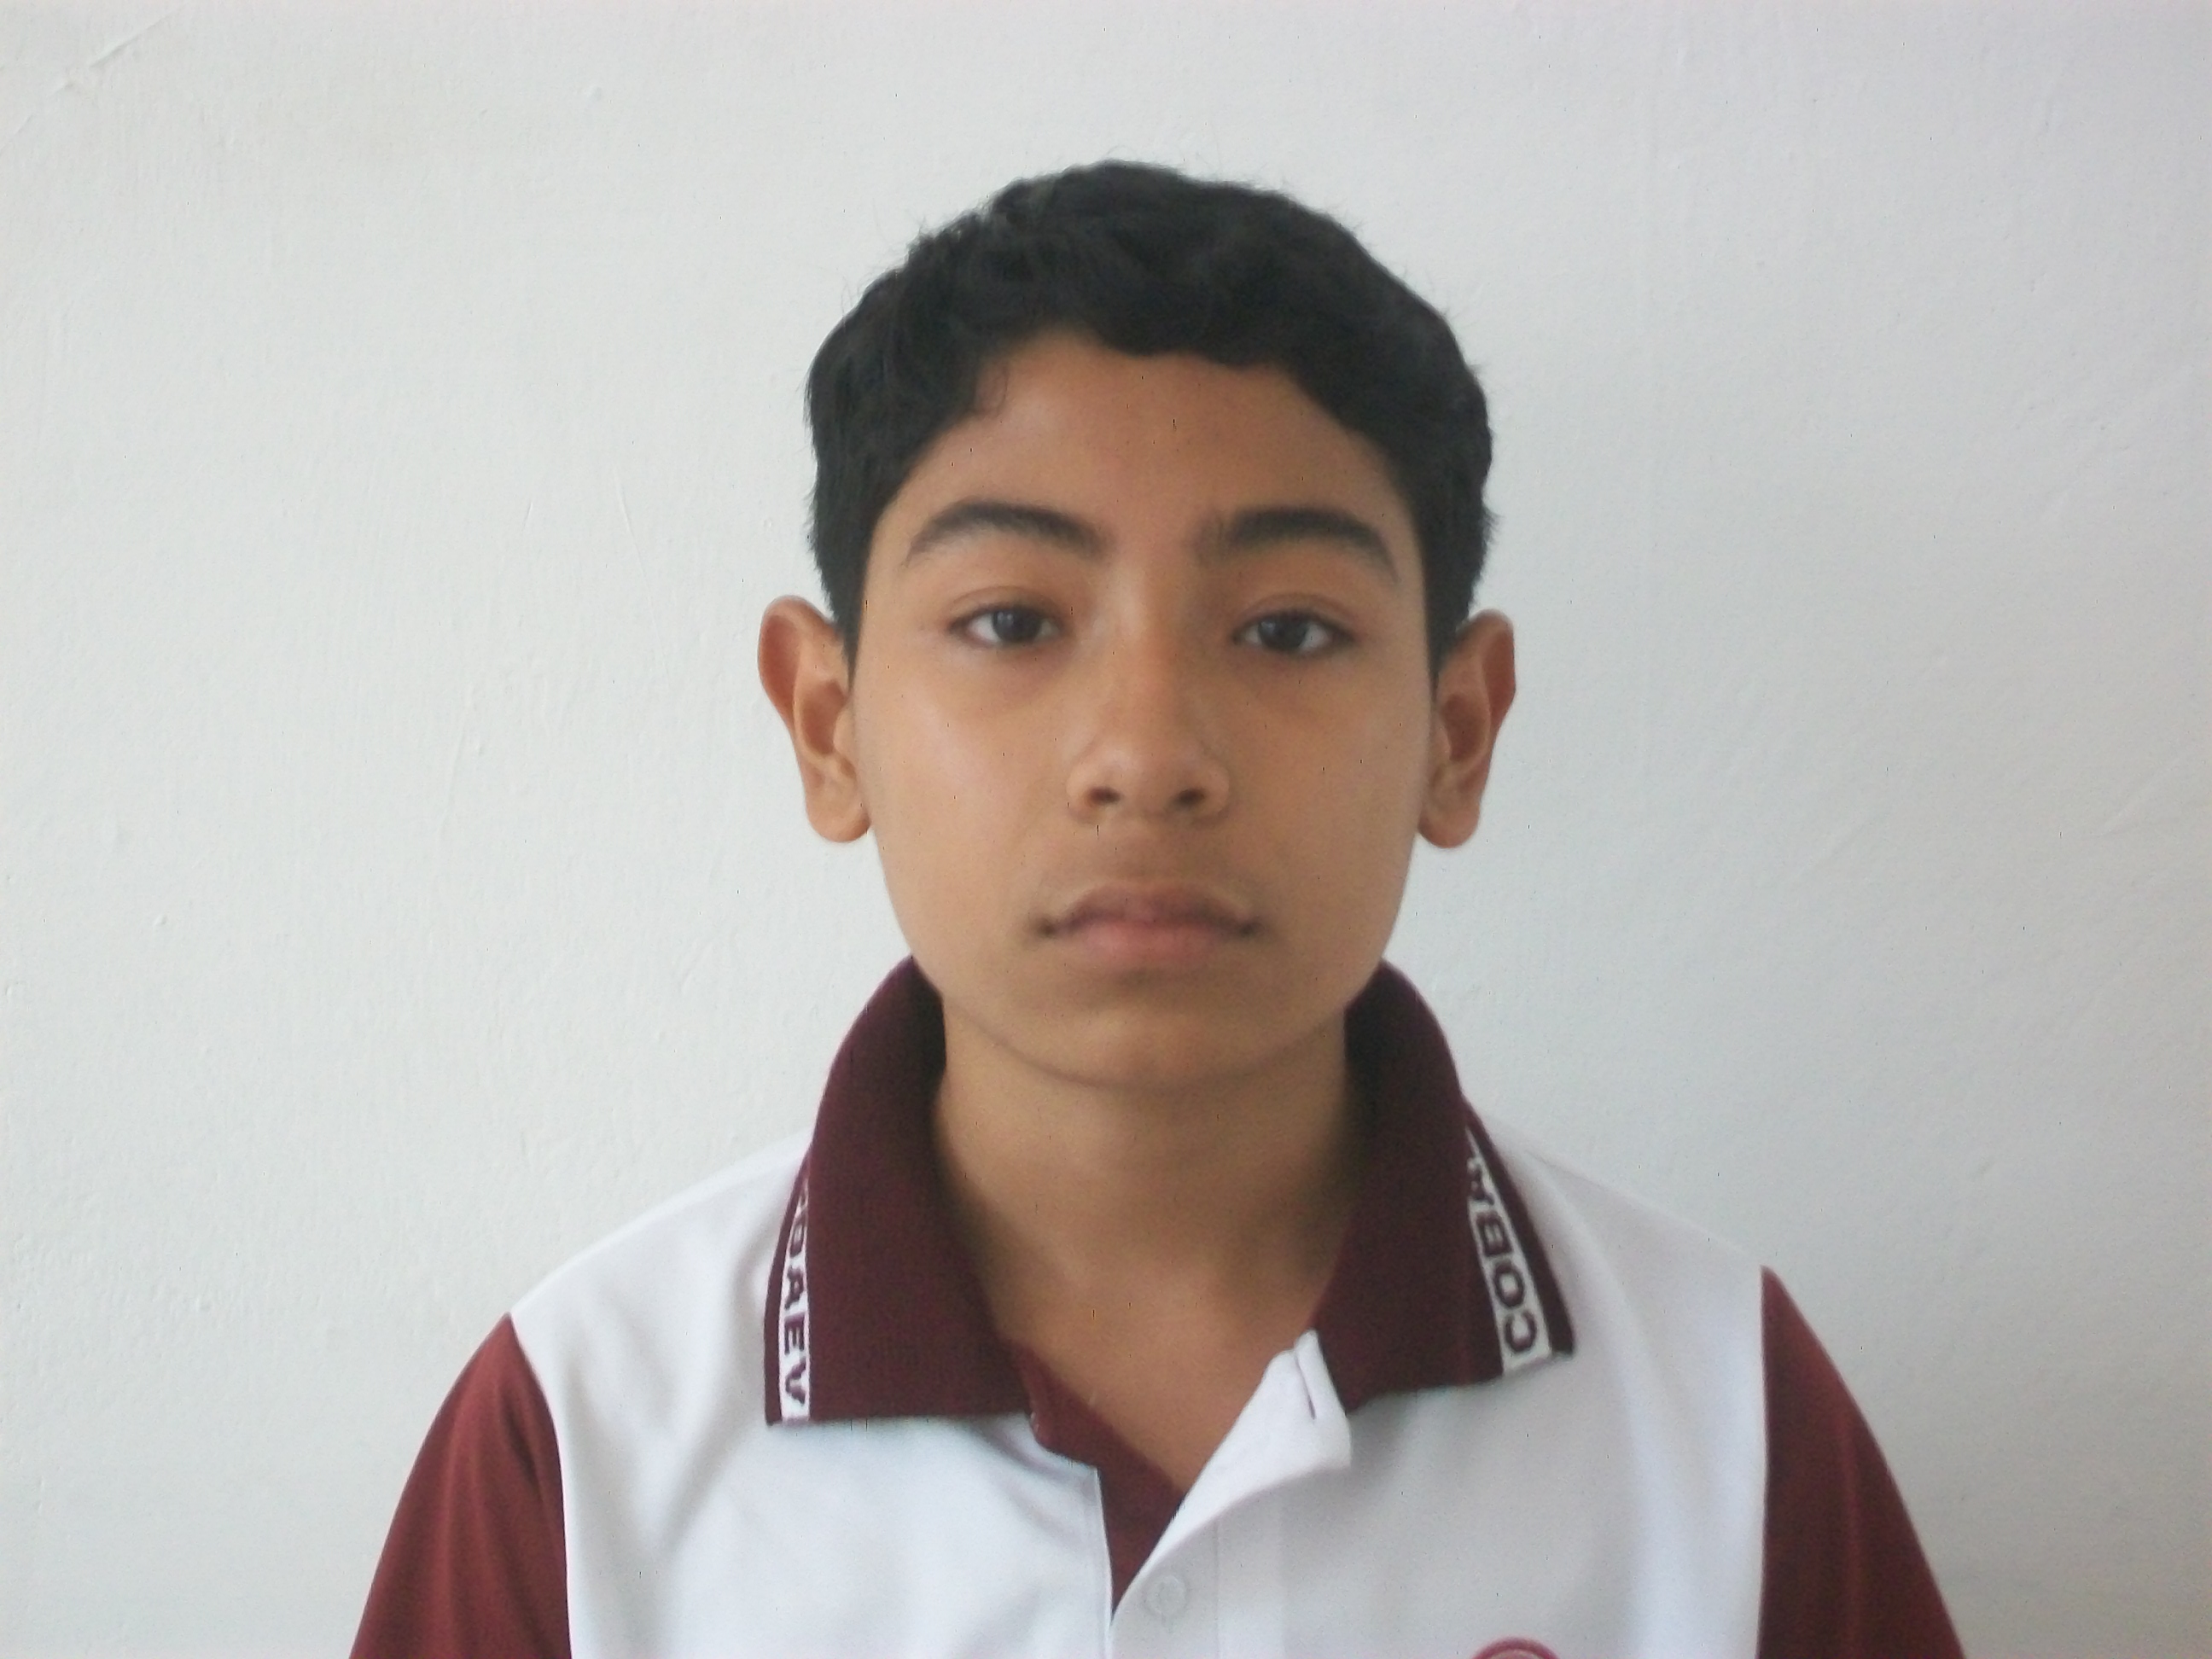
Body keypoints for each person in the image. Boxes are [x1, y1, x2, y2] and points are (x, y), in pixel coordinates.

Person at [352, 163, 1961, 1659]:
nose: (1146, 755)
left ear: (1456, 732)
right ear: (829, 726)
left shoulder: (1722, 1409)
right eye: (1010, 621)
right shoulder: (585, 1436)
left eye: (1287, 631)